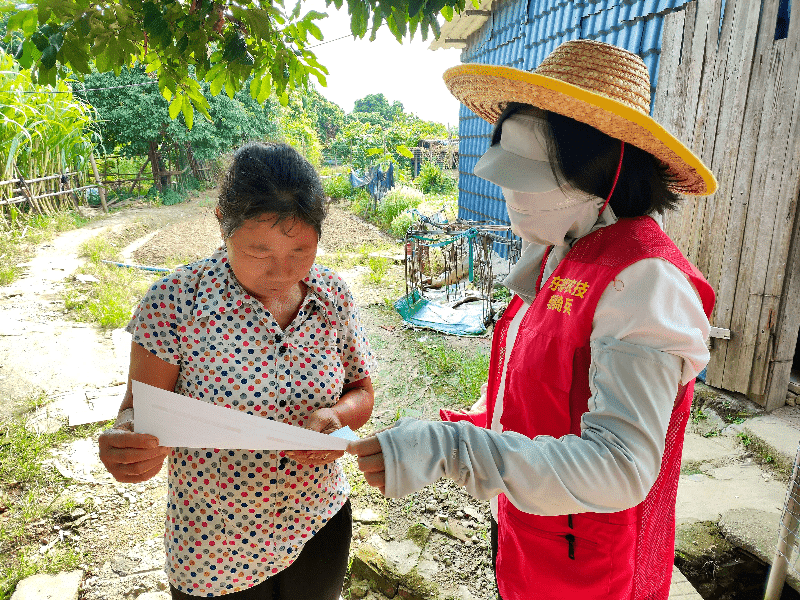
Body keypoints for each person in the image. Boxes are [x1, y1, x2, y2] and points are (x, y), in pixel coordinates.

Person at [348, 39, 716, 600]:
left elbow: (621, 466)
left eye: (529, 175)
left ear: (599, 170)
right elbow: (532, 392)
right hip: (532, 534)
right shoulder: (560, 250)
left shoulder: (644, 282)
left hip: (591, 567)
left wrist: (455, 449)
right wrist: (449, 432)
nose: (510, 192)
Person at [99, 141, 375, 600]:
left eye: (301, 250)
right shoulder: (176, 303)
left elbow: (362, 391)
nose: (282, 271)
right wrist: (129, 441)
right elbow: (137, 412)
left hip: (318, 522)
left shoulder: (332, 295)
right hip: (215, 547)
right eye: (259, 252)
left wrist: (338, 416)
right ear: (221, 223)